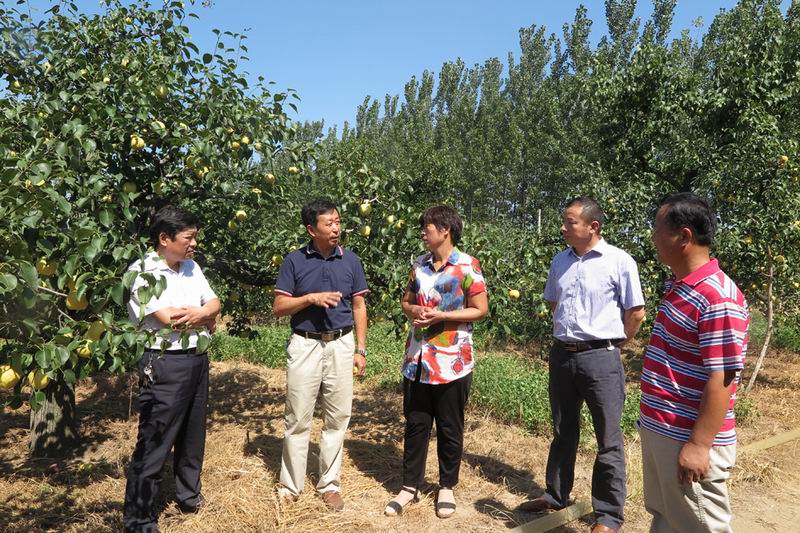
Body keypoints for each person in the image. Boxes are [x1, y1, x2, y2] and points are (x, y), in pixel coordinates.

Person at [518, 197, 645, 533]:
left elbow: (636, 313)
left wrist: (611, 345)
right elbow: (554, 303)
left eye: (570, 221)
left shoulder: (619, 261)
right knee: (563, 430)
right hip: (562, 355)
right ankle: (555, 495)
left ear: (593, 226)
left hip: (601, 357)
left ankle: (608, 516)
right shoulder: (560, 261)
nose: (563, 227)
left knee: (608, 438)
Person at [640, 193, 749, 532]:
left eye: (658, 229)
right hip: (664, 429)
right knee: (668, 519)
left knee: (700, 526)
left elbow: (723, 378)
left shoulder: (717, 297)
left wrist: (700, 445)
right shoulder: (681, 286)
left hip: (686, 437)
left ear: (683, 237)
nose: (653, 237)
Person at [383, 205, 488, 519]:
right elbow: (406, 301)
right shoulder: (419, 265)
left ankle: (446, 486)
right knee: (416, 424)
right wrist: (414, 310)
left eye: (427, 227)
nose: (422, 233)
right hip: (417, 359)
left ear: (445, 230)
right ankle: (410, 486)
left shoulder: (468, 265)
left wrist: (442, 315)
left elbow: (480, 309)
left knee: (449, 427)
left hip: (452, 361)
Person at [123, 206, 220, 533]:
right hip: (164, 362)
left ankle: (189, 496)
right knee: (155, 440)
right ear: (165, 238)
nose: (194, 244)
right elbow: (169, 320)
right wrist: (204, 316)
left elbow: (215, 303)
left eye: (195, 237)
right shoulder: (143, 272)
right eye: (188, 238)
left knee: (193, 435)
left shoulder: (192, 266)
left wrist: (202, 313)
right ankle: (139, 519)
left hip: (197, 358)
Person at [273, 198, 368, 511]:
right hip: (305, 344)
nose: (336, 228)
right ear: (311, 229)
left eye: (338, 222)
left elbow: (359, 306)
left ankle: (329, 485)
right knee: (298, 418)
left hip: (342, 344)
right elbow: (279, 307)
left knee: (337, 417)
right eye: (329, 223)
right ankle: (291, 486)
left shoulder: (351, 260)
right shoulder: (294, 261)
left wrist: (360, 349)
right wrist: (309, 298)